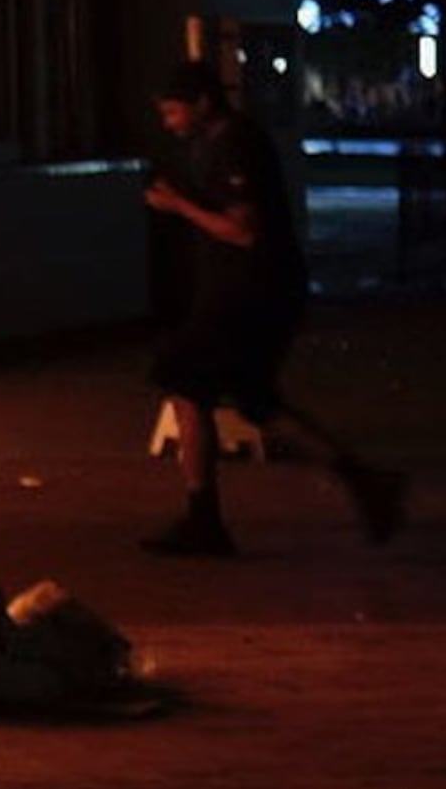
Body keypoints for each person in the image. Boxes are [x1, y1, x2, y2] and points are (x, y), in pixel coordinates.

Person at [143, 56, 402, 556]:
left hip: (250, 291)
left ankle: (204, 517)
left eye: (174, 111)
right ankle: (362, 479)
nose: (169, 123)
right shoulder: (212, 142)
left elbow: (242, 230)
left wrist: (180, 207)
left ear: (202, 103)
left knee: (180, 377)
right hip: (255, 291)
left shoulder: (234, 144)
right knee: (255, 401)